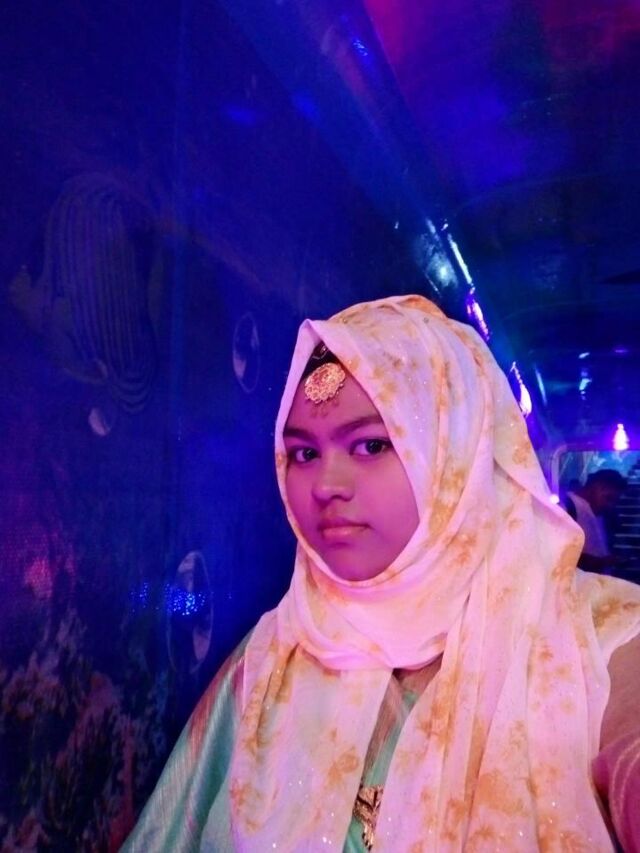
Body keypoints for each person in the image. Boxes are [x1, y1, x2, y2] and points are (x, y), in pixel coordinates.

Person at [122, 295, 640, 852]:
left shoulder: (596, 632)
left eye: (371, 445)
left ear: (455, 454)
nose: (326, 485)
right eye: (303, 454)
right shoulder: (273, 653)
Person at [565, 469, 627, 574]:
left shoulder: (603, 513)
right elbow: (562, 553)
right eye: (608, 498)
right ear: (596, 487)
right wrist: (601, 562)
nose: (610, 505)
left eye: (614, 501)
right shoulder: (568, 506)